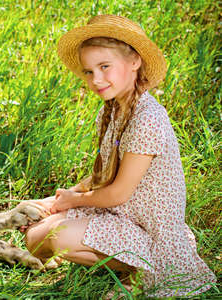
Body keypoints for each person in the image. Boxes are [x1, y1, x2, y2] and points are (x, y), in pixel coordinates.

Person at [20, 15, 216, 297]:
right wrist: (60, 199)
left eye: (104, 67)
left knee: (56, 235)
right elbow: (105, 174)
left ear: (134, 61)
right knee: (35, 234)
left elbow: (118, 193)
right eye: (89, 72)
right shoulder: (111, 110)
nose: (96, 79)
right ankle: (111, 254)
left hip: (151, 231)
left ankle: (143, 270)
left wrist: (73, 201)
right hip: (121, 216)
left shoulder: (148, 119)